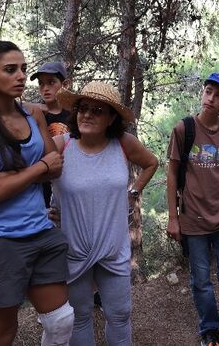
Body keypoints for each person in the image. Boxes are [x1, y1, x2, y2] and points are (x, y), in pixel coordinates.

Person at [0, 35, 73, 346]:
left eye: (23, 68)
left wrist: (14, 176)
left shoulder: (33, 114)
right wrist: (35, 169)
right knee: (2, 334)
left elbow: (56, 165)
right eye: (10, 69)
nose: (21, 76)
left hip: (39, 230)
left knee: (62, 322)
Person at [53, 81, 159, 346]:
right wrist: (45, 210)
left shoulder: (123, 144)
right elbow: (29, 172)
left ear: (111, 118)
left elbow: (151, 163)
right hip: (74, 250)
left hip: (113, 248)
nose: (87, 114)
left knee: (120, 315)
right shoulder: (60, 146)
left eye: (97, 110)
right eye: (83, 108)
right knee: (80, 316)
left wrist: (133, 192)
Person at [166, 72, 219, 346]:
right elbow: (172, 172)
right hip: (193, 218)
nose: (210, 98)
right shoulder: (184, 129)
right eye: (207, 91)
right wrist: (173, 217)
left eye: (218, 95)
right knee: (200, 280)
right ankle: (209, 330)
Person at [28, 61, 70, 208]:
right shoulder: (34, 115)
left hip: (69, 181)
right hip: (41, 184)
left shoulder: (75, 116)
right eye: (41, 84)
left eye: (51, 82)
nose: (45, 88)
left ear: (65, 85)